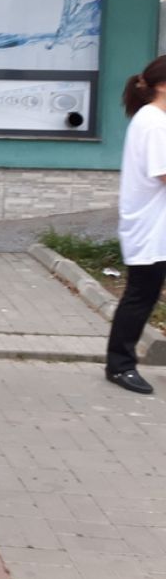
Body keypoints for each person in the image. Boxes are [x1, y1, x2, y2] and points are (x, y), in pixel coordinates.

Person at [106, 56, 166, 395]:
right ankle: (120, 366)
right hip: (150, 229)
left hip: (155, 227)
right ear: (162, 85)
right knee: (140, 296)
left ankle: (120, 363)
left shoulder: (154, 119)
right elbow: (163, 172)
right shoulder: (154, 123)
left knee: (143, 294)